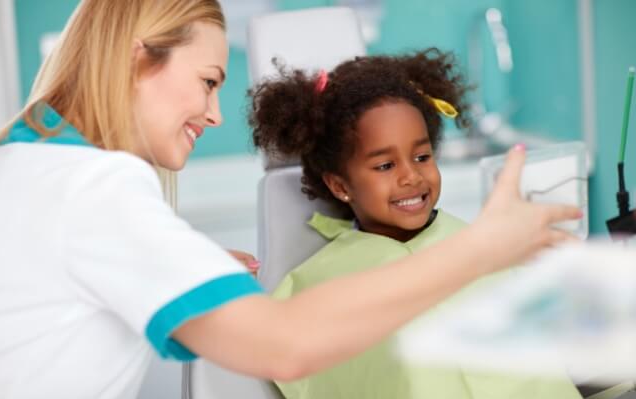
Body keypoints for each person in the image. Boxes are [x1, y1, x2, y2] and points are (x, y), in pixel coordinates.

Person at [0, 1, 581, 397]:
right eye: (208, 80)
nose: (214, 112)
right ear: (136, 56)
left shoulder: (30, 166)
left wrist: (174, 266)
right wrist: (480, 250)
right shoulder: (95, 189)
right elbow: (285, 347)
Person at [249, 49, 583, 399]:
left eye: (422, 157)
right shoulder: (317, 283)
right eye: (385, 166)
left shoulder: (476, 242)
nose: (412, 176)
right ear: (340, 185)